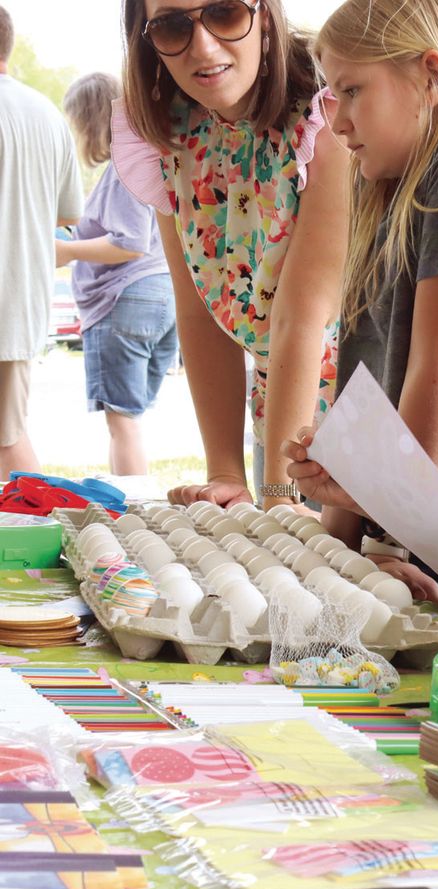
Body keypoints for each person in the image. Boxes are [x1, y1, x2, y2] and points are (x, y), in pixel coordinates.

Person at [282, 0, 438, 596]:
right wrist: (335, 544)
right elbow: (367, 388)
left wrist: (387, 542)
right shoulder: (391, 183)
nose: (337, 123)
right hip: (400, 528)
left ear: (432, 78)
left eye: (352, 91)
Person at [114, 0, 349, 509]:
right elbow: (199, 310)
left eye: (224, 12)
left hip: (358, 431)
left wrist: (279, 496)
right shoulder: (170, 129)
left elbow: (303, 316)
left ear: (264, 13)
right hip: (278, 421)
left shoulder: (326, 109)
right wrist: (225, 471)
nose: (202, 46)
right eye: (171, 25)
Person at [56, 72, 177, 476]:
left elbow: (130, 242)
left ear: (88, 119)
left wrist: (66, 251)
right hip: (162, 296)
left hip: (125, 299)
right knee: (128, 419)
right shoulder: (147, 159)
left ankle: (134, 507)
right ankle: (129, 500)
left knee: (121, 422)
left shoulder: (125, 167)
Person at [0, 4, 84, 480]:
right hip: (19, 303)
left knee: (8, 441)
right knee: (8, 434)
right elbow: (68, 214)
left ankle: (43, 518)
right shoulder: (47, 114)